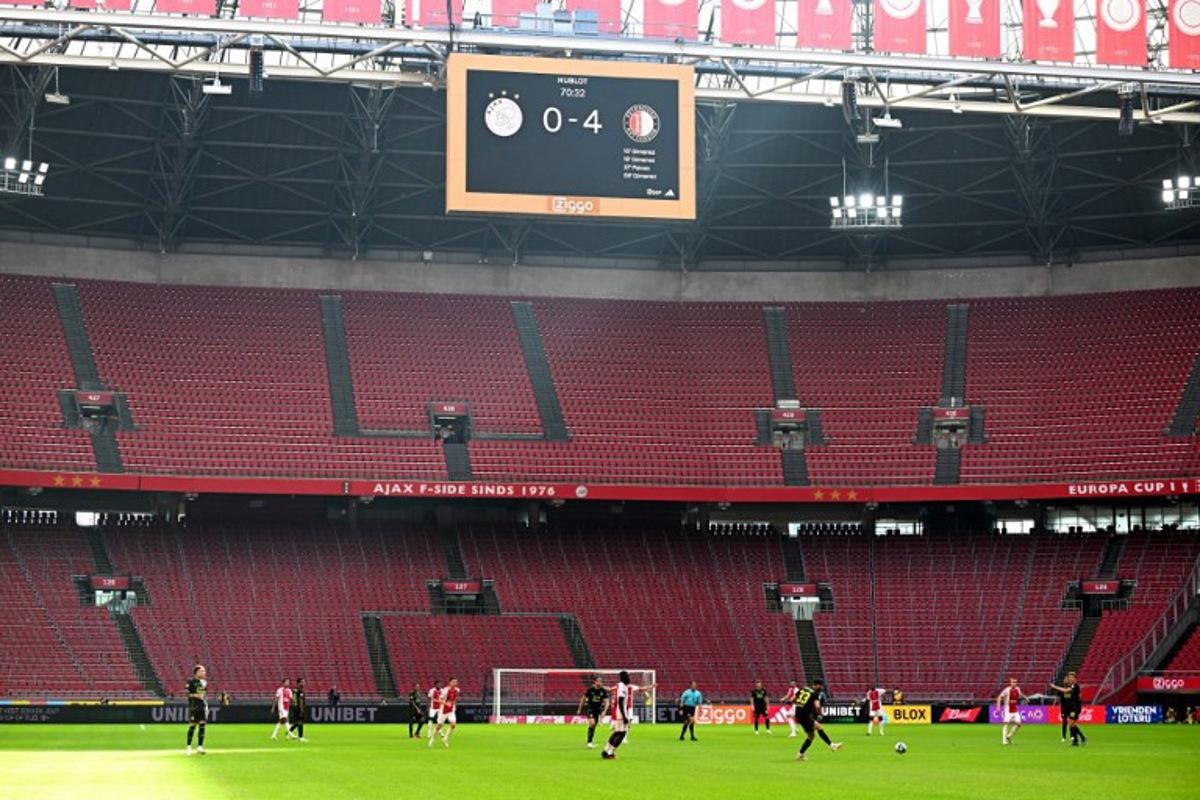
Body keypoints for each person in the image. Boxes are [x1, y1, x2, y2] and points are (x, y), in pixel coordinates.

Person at [601, 671, 655, 760]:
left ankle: (606, 750)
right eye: (627, 676)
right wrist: (624, 716)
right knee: (622, 733)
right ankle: (611, 753)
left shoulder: (624, 686)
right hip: (621, 711)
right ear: (623, 677)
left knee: (617, 732)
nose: (629, 678)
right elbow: (621, 701)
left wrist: (650, 687)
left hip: (621, 711)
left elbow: (640, 689)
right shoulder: (622, 687)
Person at [794, 679, 843, 762]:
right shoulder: (815, 693)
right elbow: (817, 706)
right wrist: (820, 714)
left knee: (815, 731)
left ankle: (800, 754)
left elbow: (793, 699)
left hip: (798, 713)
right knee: (812, 735)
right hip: (805, 715)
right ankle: (831, 745)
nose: (822, 687)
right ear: (817, 685)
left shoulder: (804, 689)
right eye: (821, 686)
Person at [1049, 673, 1087, 747]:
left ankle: (1080, 739)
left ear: (1075, 678)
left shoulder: (1075, 685)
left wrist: (1054, 687)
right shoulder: (1072, 685)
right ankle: (1078, 740)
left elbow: (1066, 691)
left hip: (1076, 707)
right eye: (1069, 677)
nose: (1069, 679)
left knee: (1071, 724)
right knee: (1072, 724)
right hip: (1072, 707)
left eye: (1071, 677)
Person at [576, 676, 609, 749]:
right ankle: (589, 742)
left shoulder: (603, 690)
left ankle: (590, 742)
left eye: (601, 681)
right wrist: (579, 709)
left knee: (593, 726)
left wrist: (604, 711)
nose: (600, 683)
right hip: (590, 709)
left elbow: (607, 702)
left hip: (598, 710)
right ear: (594, 682)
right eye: (598, 681)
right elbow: (583, 699)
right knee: (592, 723)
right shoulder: (590, 690)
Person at [185, 664, 208, 756]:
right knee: (192, 726)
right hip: (193, 707)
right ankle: (189, 747)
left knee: (202, 725)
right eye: (202, 671)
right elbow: (186, 694)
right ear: (197, 672)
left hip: (202, 706)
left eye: (204, 671)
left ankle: (200, 747)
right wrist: (194, 695)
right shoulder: (190, 681)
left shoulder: (204, 682)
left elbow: (203, 695)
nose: (204, 672)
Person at [430, 678, 460, 748]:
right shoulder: (445, 690)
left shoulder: (457, 690)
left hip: (451, 710)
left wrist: (454, 705)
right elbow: (439, 700)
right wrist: (446, 704)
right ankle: (432, 739)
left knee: (453, 725)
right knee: (439, 726)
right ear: (449, 682)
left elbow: (454, 699)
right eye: (453, 682)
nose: (455, 683)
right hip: (443, 710)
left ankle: (445, 738)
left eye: (456, 682)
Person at [996, 676, 1026, 745]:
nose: (1014, 683)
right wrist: (998, 707)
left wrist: (1025, 697)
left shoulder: (1018, 689)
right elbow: (999, 697)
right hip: (1008, 709)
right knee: (1006, 724)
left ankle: (1009, 736)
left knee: (1019, 724)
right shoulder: (1007, 690)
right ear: (1010, 682)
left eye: (1015, 682)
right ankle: (1004, 741)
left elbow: (1020, 694)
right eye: (1013, 682)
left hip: (1015, 710)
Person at [288, 678, 308, 742]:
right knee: (300, 722)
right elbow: (301, 700)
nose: (304, 683)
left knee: (298, 722)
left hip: (295, 708)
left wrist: (294, 706)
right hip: (299, 708)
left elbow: (292, 699)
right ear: (299, 683)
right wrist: (301, 710)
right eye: (302, 682)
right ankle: (301, 737)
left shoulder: (294, 690)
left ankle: (289, 732)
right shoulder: (300, 691)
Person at [426, 680, 443, 745]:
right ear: (435, 684)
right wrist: (428, 706)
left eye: (440, 684)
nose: (439, 685)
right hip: (433, 708)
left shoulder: (442, 690)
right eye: (438, 684)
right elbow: (429, 698)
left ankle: (440, 731)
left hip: (440, 707)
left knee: (440, 721)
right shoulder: (432, 690)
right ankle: (429, 732)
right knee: (431, 720)